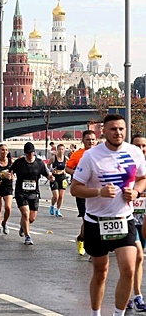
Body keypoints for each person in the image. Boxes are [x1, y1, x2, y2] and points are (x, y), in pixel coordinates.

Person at [70, 114, 146, 316]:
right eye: (113, 129)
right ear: (104, 131)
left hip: (124, 219)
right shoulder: (92, 155)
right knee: (101, 272)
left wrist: (137, 191)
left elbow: (142, 178)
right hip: (96, 221)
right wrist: (98, 192)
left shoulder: (135, 152)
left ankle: (118, 314)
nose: (118, 132)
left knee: (129, 270)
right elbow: (75, 189)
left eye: (121, 129)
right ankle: (96, 313)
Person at [10, 142, 54, 245]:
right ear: (25, 153)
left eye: (32, 153)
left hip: (34, 192)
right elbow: (10, 172)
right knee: (25, 213)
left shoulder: (39, 163)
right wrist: (9, 176)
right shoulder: (19, 163)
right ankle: (28, 236)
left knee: (32, 218)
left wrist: (50, 178)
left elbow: (46, 174)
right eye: (28, 153)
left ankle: (23, 226)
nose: (30, 155)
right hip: (21, 192)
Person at [66, 130, 97, 255]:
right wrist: (77, 174)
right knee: (87, 220)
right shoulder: (78, 155)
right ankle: (88, 245)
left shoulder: (101, 153)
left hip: (97, 191)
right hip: (82, 191)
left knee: (97, 220)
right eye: (88, 139)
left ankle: (82, 237)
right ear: (83, 141)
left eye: (93, 139)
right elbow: (67, 168)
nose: (90, 142)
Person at [129, 134, 146, 311]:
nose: (141, 150)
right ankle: (138, 296)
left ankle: (127, 293)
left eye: (144, 146)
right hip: (128, 218)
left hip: (144, 219)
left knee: (137, 260)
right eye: (137, 146)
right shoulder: (124, 166)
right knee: (137, 255)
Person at [48, 143, 69, 217]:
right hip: (54, 177)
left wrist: (66, 170)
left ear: (64, 150)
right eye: (59, 149)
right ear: (57, 150)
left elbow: (69, 166)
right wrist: (51, 169)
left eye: (62, 149)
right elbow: (47, 165)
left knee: (61, 196)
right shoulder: (53, 158)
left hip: (63, 177)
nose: (61, 151)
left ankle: (58, 210)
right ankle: (52, 206)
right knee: (56, 196)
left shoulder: (66, 158)